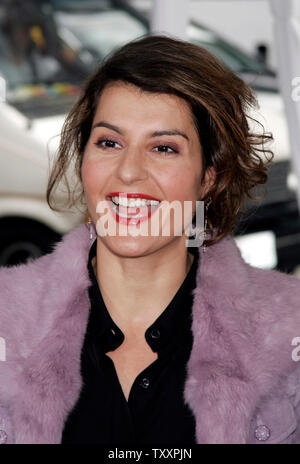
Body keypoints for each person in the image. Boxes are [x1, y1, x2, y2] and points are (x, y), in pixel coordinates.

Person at [0, 34, 300, 445]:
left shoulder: (289, 332)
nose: (128, 172)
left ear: (209, 178)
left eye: (163, 148)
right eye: (109, 142)